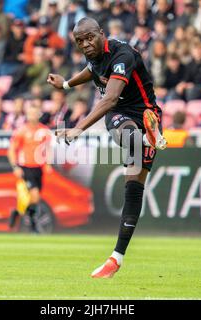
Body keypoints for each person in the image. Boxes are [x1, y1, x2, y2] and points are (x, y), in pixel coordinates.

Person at [47, 17, 166, 278]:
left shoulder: (123, 55)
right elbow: (91, 70)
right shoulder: (96, 56)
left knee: (132, 180)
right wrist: (66, 84)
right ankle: (147, 138)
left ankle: (116, 258)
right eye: (80, 41)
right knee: (130, 163)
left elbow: (110, 97)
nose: (86, 44)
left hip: (143, 112)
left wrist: (78, 128)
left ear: (102, 34)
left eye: (90, 38)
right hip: (124, 117)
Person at [7, 103, 52, 233]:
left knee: (34, 199)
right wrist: (15, 166)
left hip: (38, 168)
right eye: (30, 113)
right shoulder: (21, 131)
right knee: (35, 195)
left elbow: (47, 149)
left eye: (34, 113)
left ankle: (17, 212)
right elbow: (11, 150)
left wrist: (48, 163)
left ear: (39, 114)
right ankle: (33, 225)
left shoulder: (44, 131)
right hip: (25, 167)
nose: (32, 116)